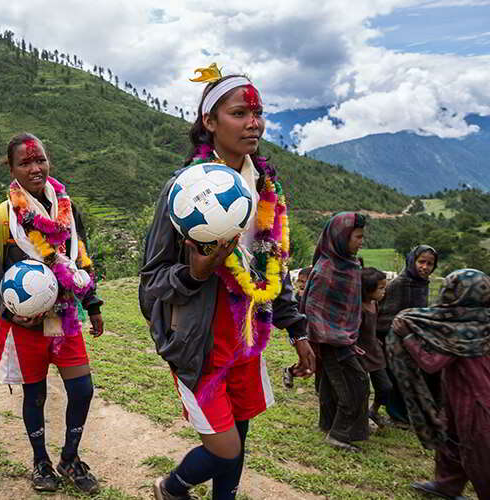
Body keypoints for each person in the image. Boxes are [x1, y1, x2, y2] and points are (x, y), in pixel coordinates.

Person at [139, 66, 314, 500]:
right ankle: (173, 486)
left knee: (240, 432)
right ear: (210, 123)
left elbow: (274, 265)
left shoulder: (268, 189)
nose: (254, 123)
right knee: (225, 446)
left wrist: (298, 329)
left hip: (247, 340)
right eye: (240, 113)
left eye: (258, 112)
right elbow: (151, 281)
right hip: (199, 344)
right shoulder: (184, 192)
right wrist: (195, 273)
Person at [0, 134, 104, 494]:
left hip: (65, 320)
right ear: (13, 169)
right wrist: (9, 312)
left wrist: (92, 303)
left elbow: (80, 258)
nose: (35, 168)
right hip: (24, 329)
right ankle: (40, 462)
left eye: (41, 160)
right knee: (35, 397)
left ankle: (69, 456)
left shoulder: (66, 210)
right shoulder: (3, 219)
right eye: (25, 163)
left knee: (82, 390)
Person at [385, 269, 490, 500]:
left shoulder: (460, 328)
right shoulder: (482, 320)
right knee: (450, 440)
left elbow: (431, 363)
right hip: (462, 396)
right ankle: (447, 486)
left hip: (474, 403)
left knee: (477, 454)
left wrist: (408, 336)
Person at [302, 212, 369, 452]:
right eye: (357, 237)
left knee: (332, 384)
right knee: (356, 384)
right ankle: (340, 434)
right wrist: (330, 336)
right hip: (332, 342)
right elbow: (312, 308)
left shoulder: (347, 264)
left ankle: (328, 424)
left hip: (343, 339)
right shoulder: (327, 270)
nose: (361, 242)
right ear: (341, 237)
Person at [377, 245, 439, 424]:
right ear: (412, 261)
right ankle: (397, 416)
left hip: (412, 340)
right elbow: (385, 313)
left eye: (430, 264)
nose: (425, 267)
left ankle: (406, 415)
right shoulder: (400, 284)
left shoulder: (422, 284)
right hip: (391, 338)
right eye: (421, 262)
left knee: (409, 378)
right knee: (396, 378)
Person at [357, 267, 392, 428]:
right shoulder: (360, 308)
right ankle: (362, 416)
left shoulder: (374, 304)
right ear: (368, 289)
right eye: (381, 288)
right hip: (361, 352)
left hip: (374, 350)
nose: (384, 291)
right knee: (362, 389)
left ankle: (374, 410)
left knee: (385, 386)